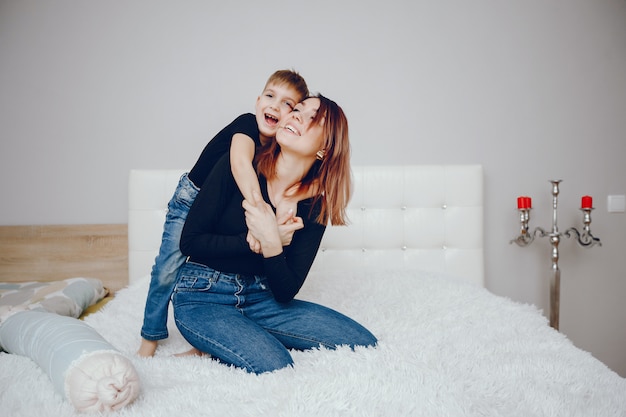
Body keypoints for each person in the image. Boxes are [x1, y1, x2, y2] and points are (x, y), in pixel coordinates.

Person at [171, 95, 377, 374]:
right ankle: (225, 336)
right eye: (297, 109)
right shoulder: (239, 167)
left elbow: (285, 291)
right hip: (203, 294)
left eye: (312, 118)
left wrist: (271, 244)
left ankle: (237, 332)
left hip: (261, 298)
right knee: (276, 364)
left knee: (363, 342)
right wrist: (254, 241)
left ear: (325, 149)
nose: (295, 115)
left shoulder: (314, 205)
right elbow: (190, 241)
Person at [137, 70, 309, 357]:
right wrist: (262, 214)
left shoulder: (282, 146)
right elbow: (240, 164)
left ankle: (205, 336)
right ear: (257, 101)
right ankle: (149, 338)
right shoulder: (245, 125)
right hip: (191, 199)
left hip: (226, 207)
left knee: (221, 262)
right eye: (270, 97)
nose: (275, 107)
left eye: (287, 104)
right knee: (168, 266)